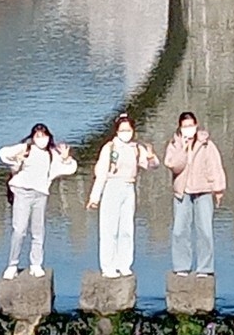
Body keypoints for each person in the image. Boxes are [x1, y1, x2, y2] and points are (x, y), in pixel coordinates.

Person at [0, 123, 77, 279]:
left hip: (40, 194)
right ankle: (12, 265)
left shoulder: (51, 154)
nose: (41, 139)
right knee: (19, 230)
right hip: (22, 192)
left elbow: (71, 168)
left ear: (49, 137)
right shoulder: (26, 148)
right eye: (38, 136)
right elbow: (3, 154)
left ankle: (36, 264)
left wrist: (66, 158)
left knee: (38, 231)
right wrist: (17, 158)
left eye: (44, 136)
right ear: (33, 138)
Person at [88, 114, 159, 278]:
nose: (126, 133)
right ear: (117, 131)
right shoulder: (110, 147)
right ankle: (108, 266)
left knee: (127, 229)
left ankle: (124, 264)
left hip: (129, 187)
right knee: (109, 229)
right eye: (122, 130)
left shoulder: (136, 148)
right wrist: (95, 197)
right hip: (112, 186)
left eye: (128, 130)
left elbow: (152, 166)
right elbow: (101, 173)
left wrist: (151, 156)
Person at [164, 111, 226, 278]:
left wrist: (218, 189)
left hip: (203, 190)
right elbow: (173, 165)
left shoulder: (206, 144)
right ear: (180, 127)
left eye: (191, 125)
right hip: (182, 191)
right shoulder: (174, 144)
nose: (188, 129)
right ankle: (181, 265)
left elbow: (215, 166)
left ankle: (205, 268)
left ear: (196, 125)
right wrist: (183, 149)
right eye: (185, 126)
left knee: (205, 230)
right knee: (179, 230)